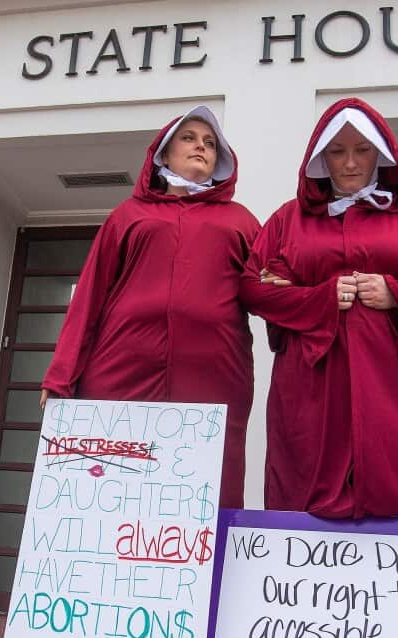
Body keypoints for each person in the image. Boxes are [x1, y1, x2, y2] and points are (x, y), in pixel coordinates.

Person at [241, 97, 398, 519]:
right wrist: (317, 298)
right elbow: (252, 286)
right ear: (320, 157)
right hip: (313, 380)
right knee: (304, 492)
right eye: (337, 151)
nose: (350, 163)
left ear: (380, 154)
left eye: (362, 150)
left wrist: (397, 294)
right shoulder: (287, 219)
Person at [40, 106, 260, 509]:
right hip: (121, 366)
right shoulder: (128, 215)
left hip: (213, 370)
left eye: (210, 143)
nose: (201, 147)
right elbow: (89, 294)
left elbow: (266, 286)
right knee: (112, 473)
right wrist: (61, 374)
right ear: (163, 153)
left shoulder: (241, 221)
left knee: (206, 479)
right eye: (190, 138)